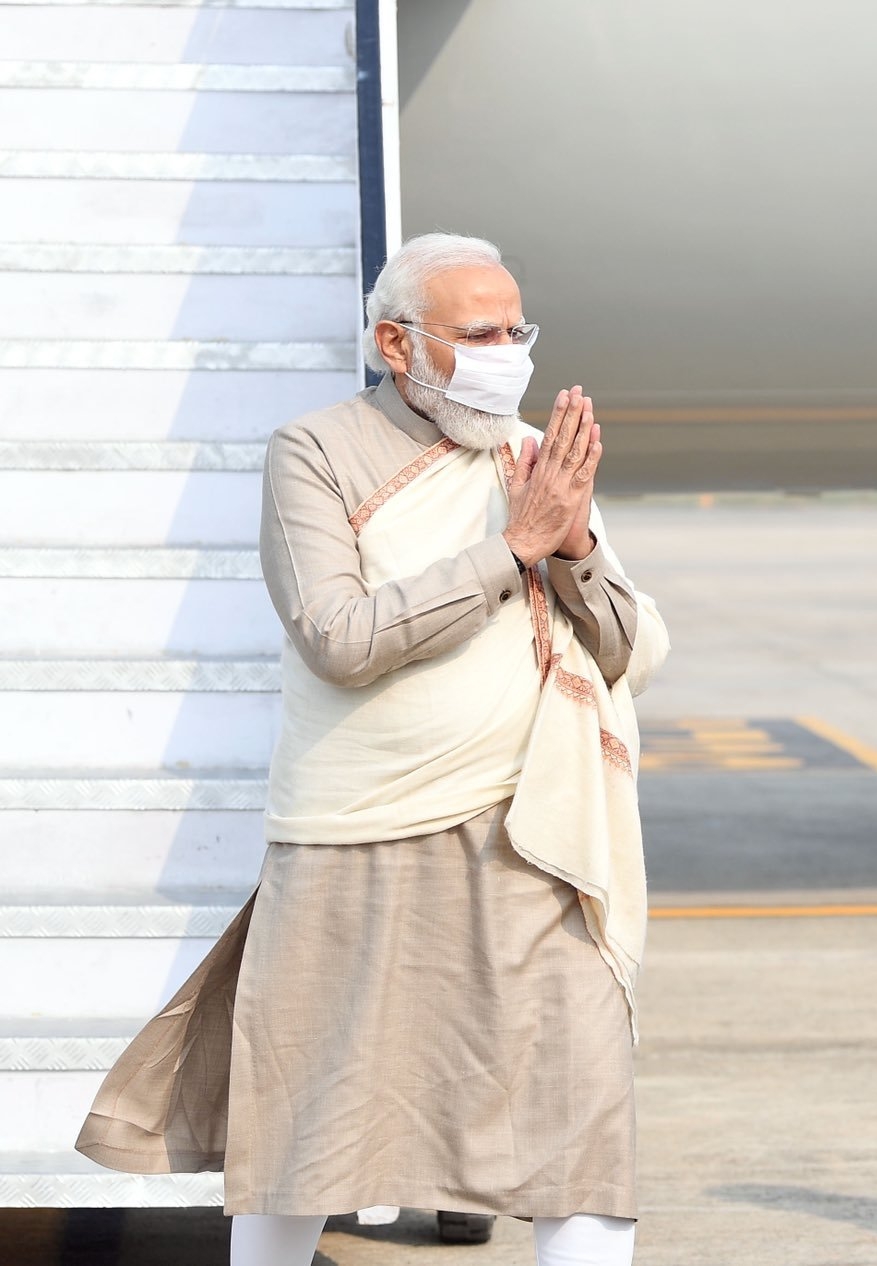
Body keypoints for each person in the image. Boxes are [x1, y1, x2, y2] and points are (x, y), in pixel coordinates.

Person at [74, 233, 669, 1266]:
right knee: (308, 1121)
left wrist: (570, 544)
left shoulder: (532, 462)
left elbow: (622, 649)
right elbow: (339, 639)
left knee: (579, 1117)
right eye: (478, 333)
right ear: (397, 343)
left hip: (538, 838)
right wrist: (513, 547)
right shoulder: (316, 450)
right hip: (358, 837)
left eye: (516, 329)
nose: (507, 353)